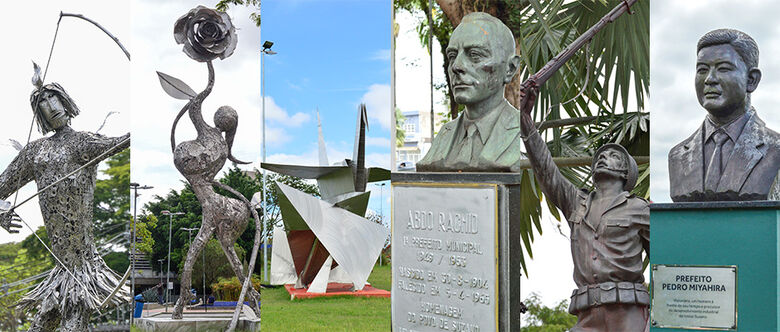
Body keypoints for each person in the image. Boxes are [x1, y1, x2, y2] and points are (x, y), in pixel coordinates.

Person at [0, 81, 130, 332]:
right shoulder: (35, 151)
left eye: (53, 98)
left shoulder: (82, 142)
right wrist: (2, 212)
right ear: (39, 114)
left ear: (65, 101)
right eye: (43, 102)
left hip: (83, 271)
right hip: (61, 275)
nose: (51, 107)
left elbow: (122, 141)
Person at [519, 88, 650, 331]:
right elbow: (546, 170)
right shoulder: (576, 202)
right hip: (587, 313)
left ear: (626, 172)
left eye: (613, 156)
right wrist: (525, 120)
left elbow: (666, 262)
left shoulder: (639, 208)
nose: (602, 157)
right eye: (600, 155)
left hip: (628, 312)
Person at [668, 28, 780, 201]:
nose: (709, 79)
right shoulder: (677, 155)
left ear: (751, 80)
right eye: (702, 70)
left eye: (723, 69)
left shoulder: (775, 149)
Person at [416, 12, 524, 172]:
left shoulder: (523, 133)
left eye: (474, 55)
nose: (456, 66)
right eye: (452, 56)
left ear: (510, 69)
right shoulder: (444, 135)